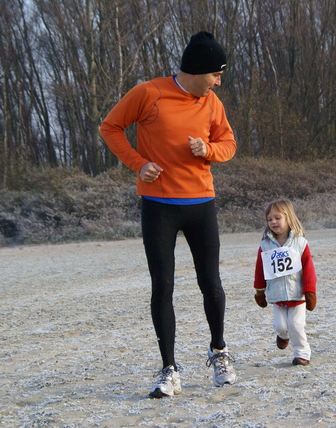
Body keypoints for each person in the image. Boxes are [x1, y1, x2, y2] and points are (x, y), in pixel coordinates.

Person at [99, 31, 237, 397]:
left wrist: (207, 149)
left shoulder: (212, 103)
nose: (219, 81)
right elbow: (110, 127)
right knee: (162, 287)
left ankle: (219, 351)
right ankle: (169, 369)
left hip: (201, 205)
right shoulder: (148, 93)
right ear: (198, 70)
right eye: (216, 74)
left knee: (211, 283)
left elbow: (229, 144)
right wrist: (138, 163)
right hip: (159, 208)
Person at [253, 199, 317, 366]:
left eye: (277, 217)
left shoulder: (300, 243)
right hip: (277, 294)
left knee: (296, 324)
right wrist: (259, 291)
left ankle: (302, 353)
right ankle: (283, 336)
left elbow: (308, 268)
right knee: (281, 326)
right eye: (269, 219)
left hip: (297, 293)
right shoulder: (265, 245)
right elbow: (260, 269)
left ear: (288, 218)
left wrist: (310, 291)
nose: (273, 222)